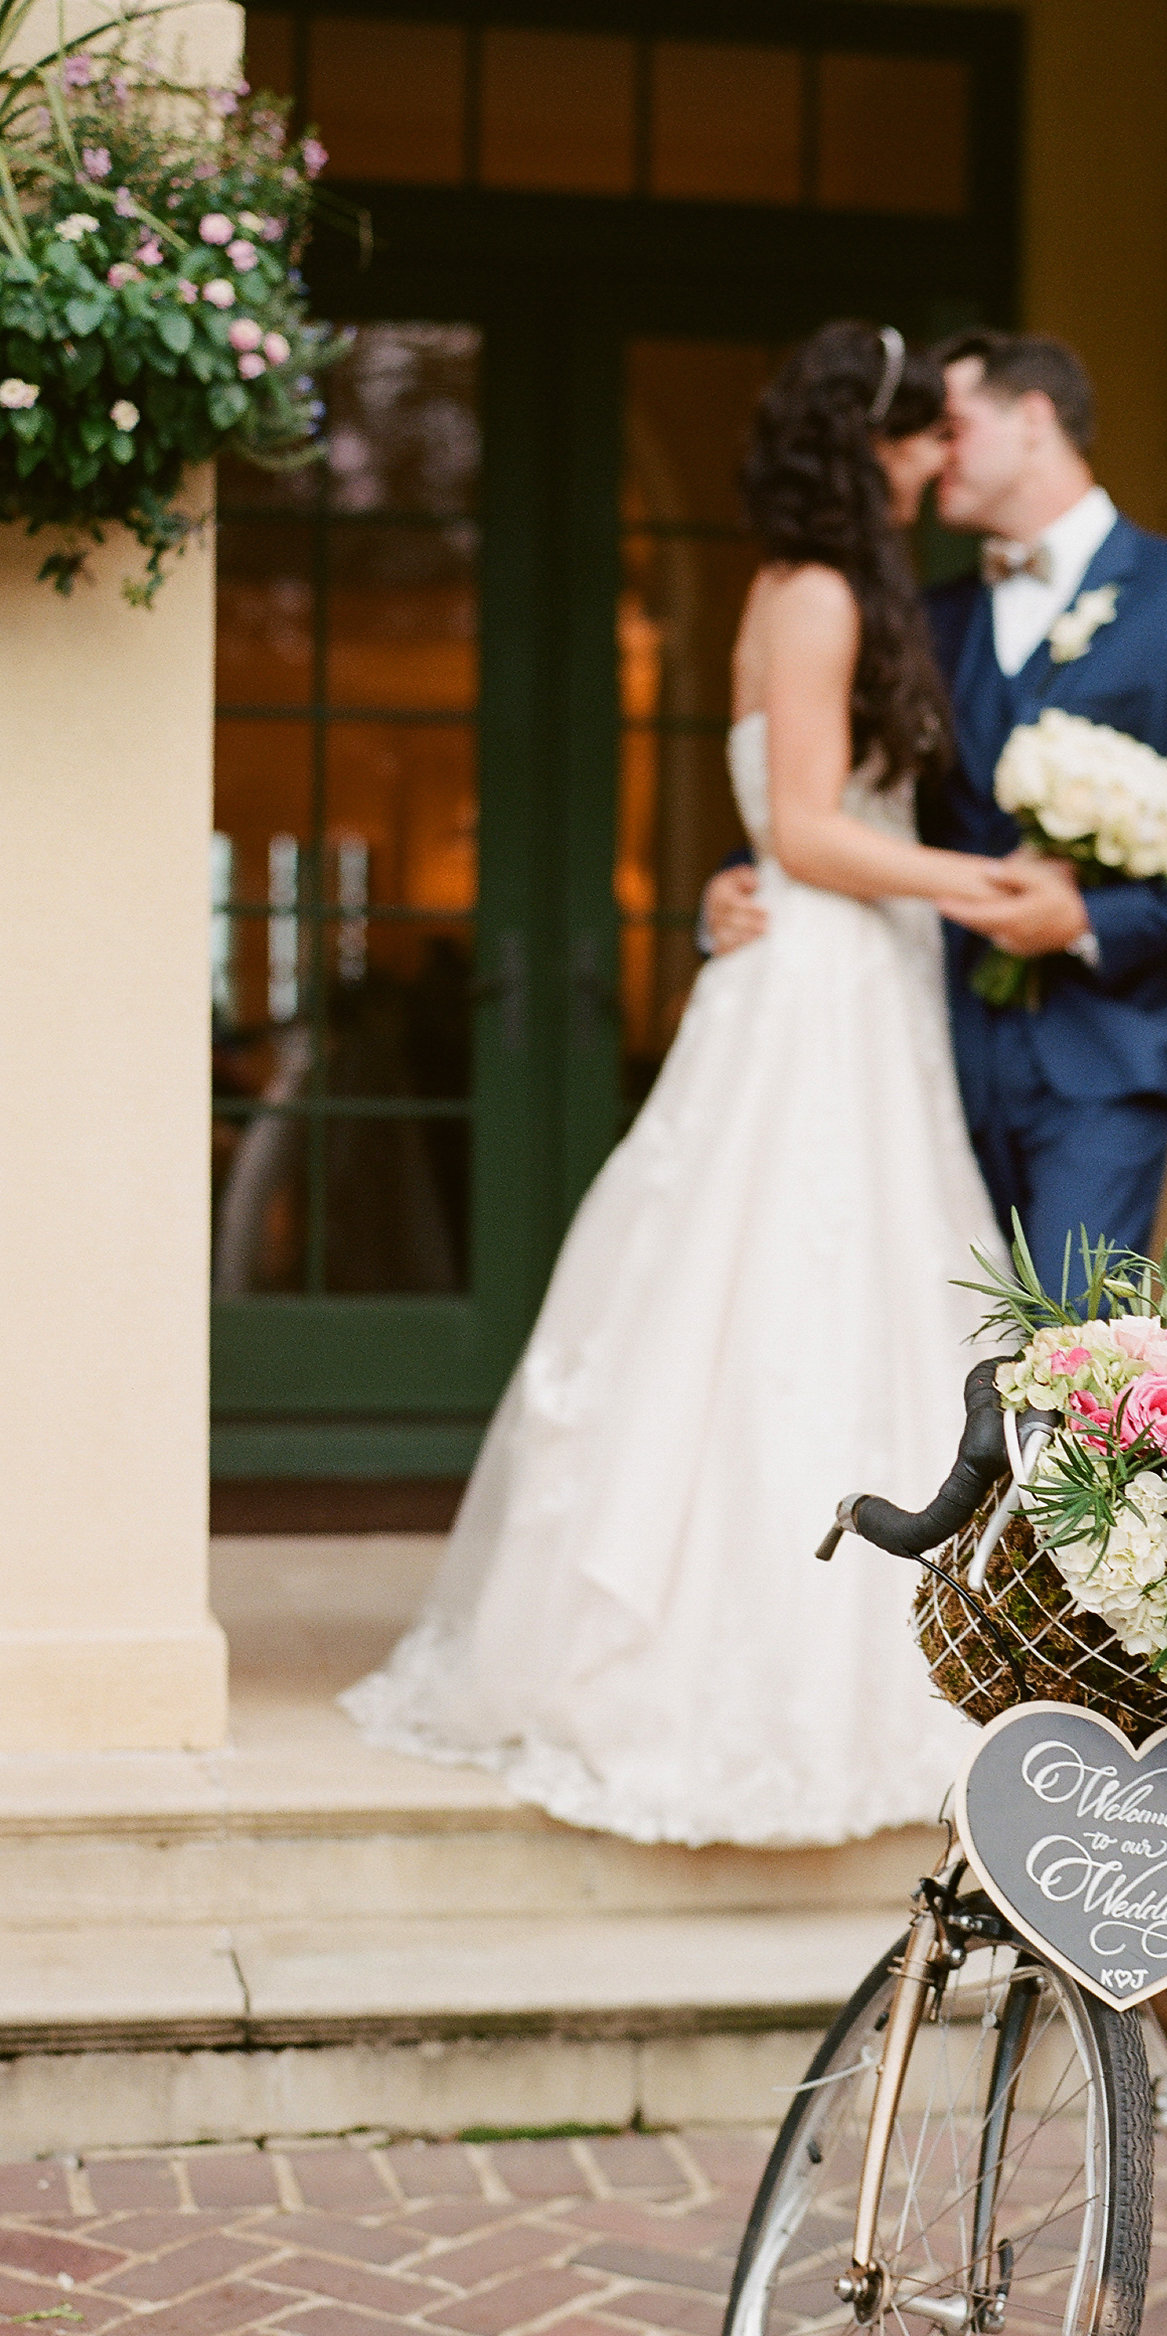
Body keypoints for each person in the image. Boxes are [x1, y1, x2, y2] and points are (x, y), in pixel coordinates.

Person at [343, 322, 1026, 1847]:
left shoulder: (831, 592)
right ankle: (732, 1675)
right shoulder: (820, 595)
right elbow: (801, 829)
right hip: (818, 985)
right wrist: (983, 881)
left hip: (860, 982)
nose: (932, 467)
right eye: (917, 441)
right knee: (776, 1295)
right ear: (872, 447)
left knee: (867, 1299)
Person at [706, 332, 1167, 1293]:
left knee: (1060, 1351)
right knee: (923, 1345)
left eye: (954, 425)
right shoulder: (921, 617)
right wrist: (737, 883)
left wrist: (1092, 919)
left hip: (1109, 1049)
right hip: (925, 1049)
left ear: (1032, 423)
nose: (936, 450)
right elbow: (833, 791)